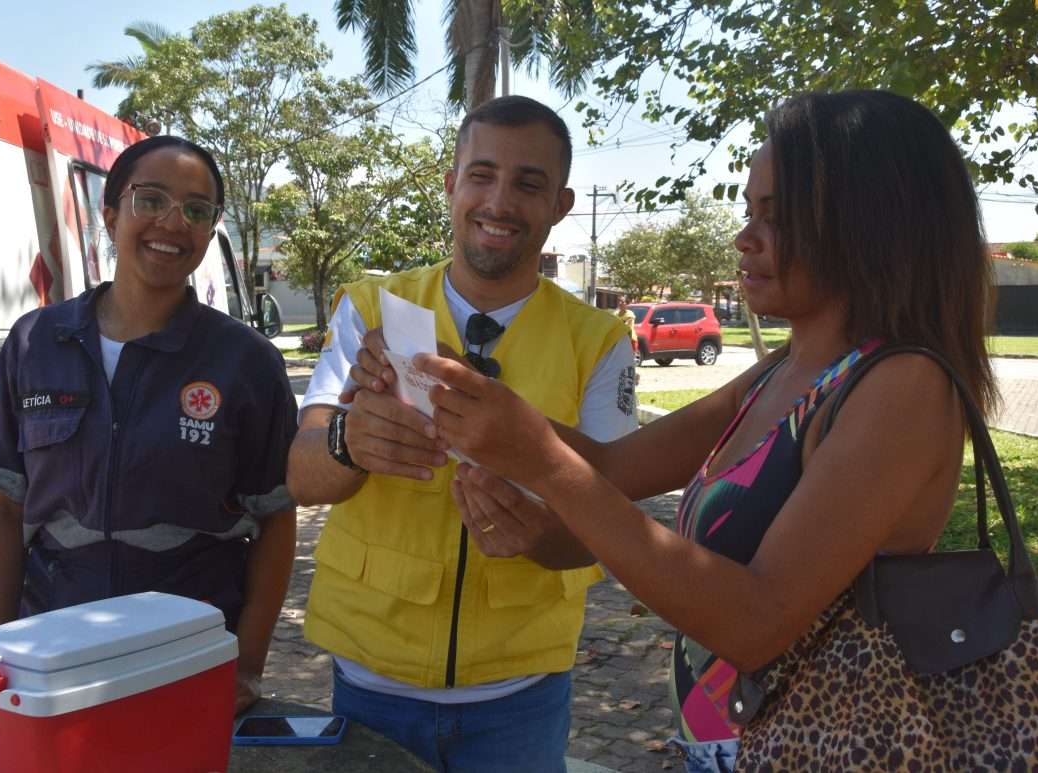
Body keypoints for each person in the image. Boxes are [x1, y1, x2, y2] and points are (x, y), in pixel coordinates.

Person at [361, 90, 996, 770]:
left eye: (776, 218)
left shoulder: (901, 387)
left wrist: (541, 463)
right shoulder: (783, 373)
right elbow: (612, 465)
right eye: (749, 211)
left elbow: (756, 622)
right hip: (732, 747)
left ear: (867, 224)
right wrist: (460, 387)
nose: (744, 236)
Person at [286, 95, 639, 772]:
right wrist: (348, 443)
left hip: (520, 696)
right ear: (451, 186)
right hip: (368, 684)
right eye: (481, 175)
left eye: (528, 183)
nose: (499, 201)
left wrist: (539, 534)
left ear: (561, 204)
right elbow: (301, 473)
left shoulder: (599, 342)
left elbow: (612, 517)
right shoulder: (368, 310)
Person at [0, 135, 298, 715]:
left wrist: (249, 664)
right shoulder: (35, 342)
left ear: (210, 232)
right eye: (151, 199)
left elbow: (275, 521)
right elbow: (0, 511)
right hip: (52, 658)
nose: (173, 222)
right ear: (110, 215)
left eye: (196, 209)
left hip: (186, 660)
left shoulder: (246, 360)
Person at [615, 297, 640, 363]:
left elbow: (627, 326)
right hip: (619, 340)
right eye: (619, 301)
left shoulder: (630, 314)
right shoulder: (615, 314)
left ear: (626, 304)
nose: (620, 303)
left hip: (630, 339)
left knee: (630, 360)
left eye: (622, 302)